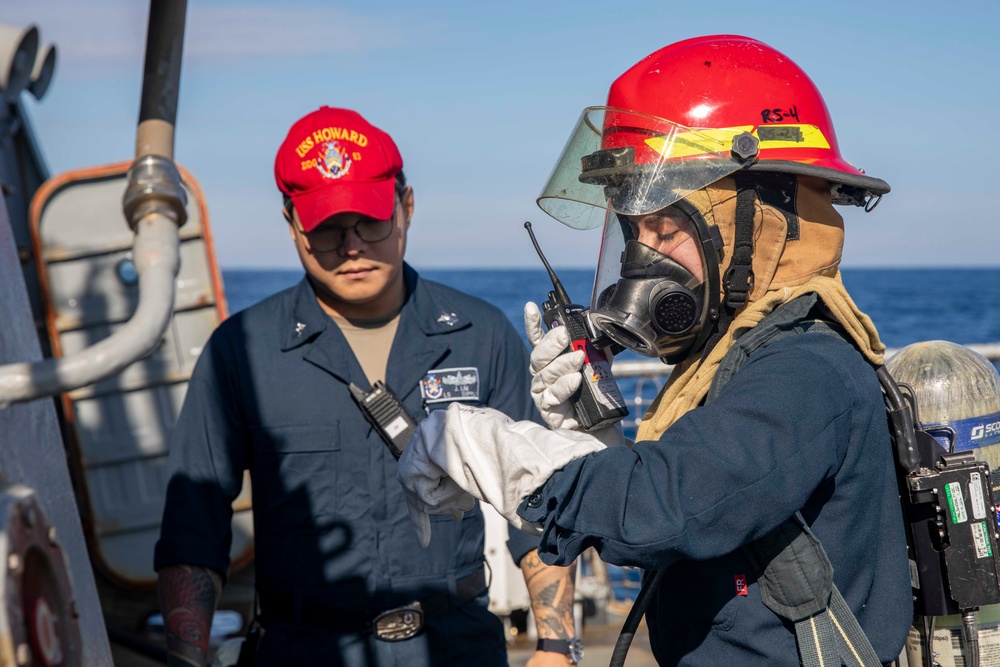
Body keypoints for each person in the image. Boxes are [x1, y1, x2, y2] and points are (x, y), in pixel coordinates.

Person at [398, 35, 913, 666]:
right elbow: (700, 504)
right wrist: (600, 441)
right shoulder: (730, 358)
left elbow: (677, 507)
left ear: (761, 221)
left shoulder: (807, 367)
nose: (642, 259)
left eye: (666, 228)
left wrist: (508, 455)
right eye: (634, 231)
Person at [154, 106, 578, 667]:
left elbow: (540, 500)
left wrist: (557, 644)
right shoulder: (241, 351)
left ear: (405, 206)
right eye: (326, 228)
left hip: (455, 648)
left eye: (370, 220)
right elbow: (194, 523)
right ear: (291, 223)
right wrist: (185, 656)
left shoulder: (482, 336)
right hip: (302, 651)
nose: (351, 245)